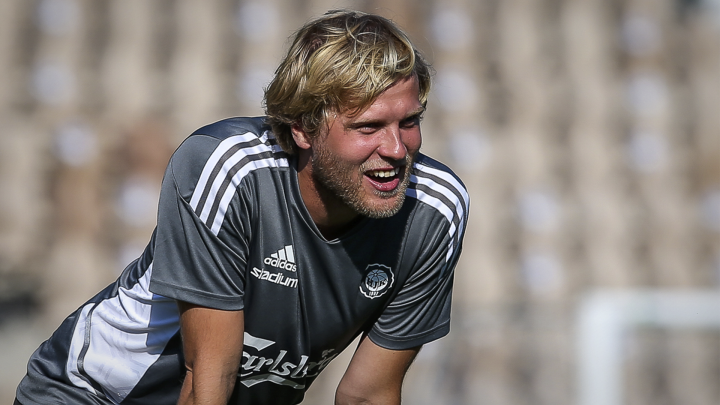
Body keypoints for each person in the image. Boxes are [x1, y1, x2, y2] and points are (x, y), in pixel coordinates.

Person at [15, 9, 469, 405]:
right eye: (368, 127)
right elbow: (209, 381)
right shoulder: (227, 169)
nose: (396, 148)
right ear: (303, 130)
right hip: (93, 396)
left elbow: (367, 395)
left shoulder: (436, 213)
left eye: (409, 122)